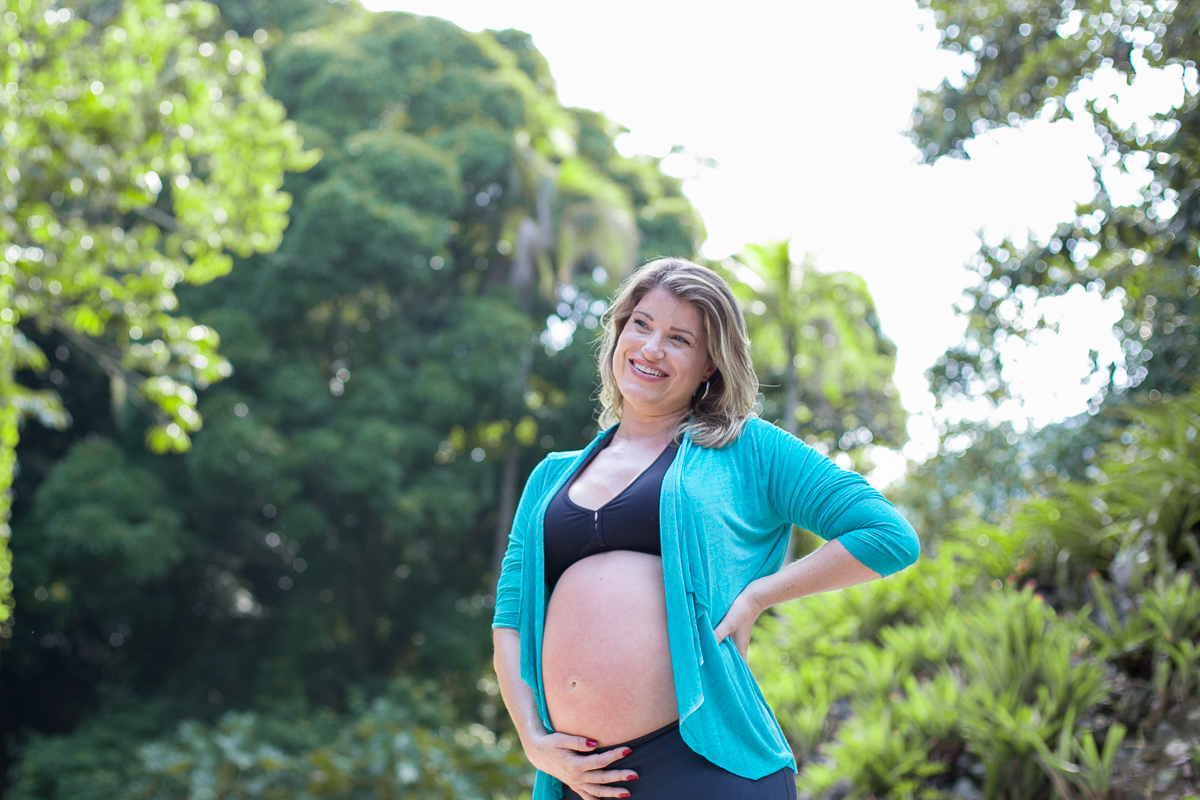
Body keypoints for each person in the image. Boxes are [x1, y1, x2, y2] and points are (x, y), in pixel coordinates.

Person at [492, 258, 919, 800]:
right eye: (641, 325)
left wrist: (757, 597)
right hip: (582, 778)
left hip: (702, 768)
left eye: (679, 338)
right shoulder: (550, 476)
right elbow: (510, 620)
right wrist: (532, 739)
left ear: (710, 363)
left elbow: (886, 535)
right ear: (619, 331)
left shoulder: (748, 448)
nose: (650, 349)